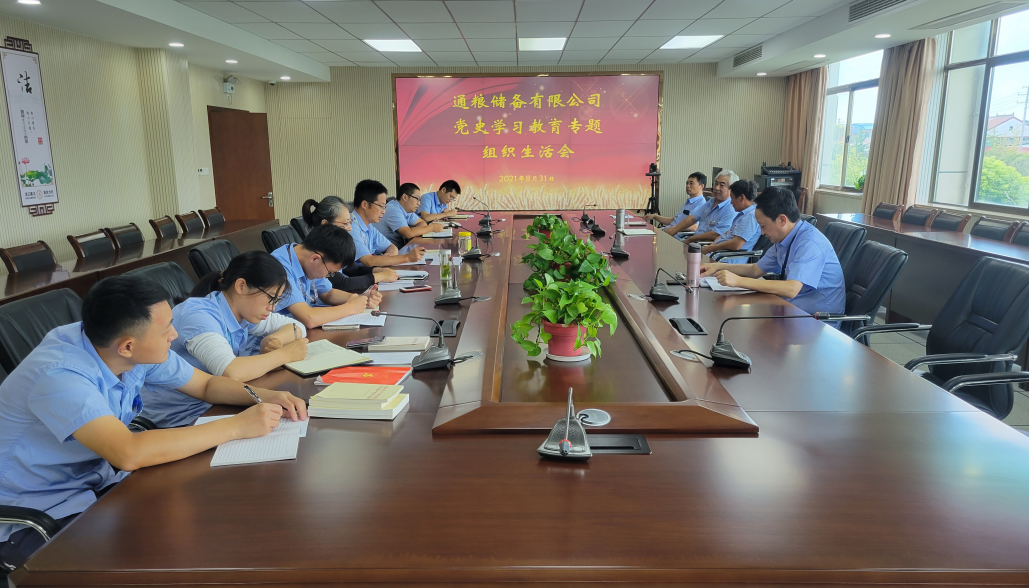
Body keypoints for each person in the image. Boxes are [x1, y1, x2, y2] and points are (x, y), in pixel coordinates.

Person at [0, 276, 306, 573]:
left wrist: (264, 396)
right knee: (169, 553)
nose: (174, 334)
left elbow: (206, 385)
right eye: (166, 330)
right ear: (127, 347)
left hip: (97, 484)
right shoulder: (60, 374)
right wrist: (237, 426)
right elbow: (128, 452)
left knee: (207, 519)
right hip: (35, 515)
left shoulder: (123, 346)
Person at [141, 251, 311, 428]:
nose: (272, 307)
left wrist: (273, 338)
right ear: (241, 286)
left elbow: (297, 327)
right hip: (177, 418)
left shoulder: (244, 313)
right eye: (270, 298)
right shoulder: (199, 316)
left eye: (276, 300)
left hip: (213, 404)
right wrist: (285, 354)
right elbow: (231, 372)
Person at [700, 186, 845, 318]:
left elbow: (791, 289)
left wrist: (738, 281)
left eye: (763, 226)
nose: (762, 232)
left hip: (818, 321)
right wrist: (718, 266)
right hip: (792, 310)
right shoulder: (784, 239)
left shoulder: (810, 243)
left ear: (782, 220)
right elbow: (756, 269)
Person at [270, 223, 380, 329]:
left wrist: (359, 299)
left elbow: (328, 293)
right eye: (330, 272)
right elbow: (309, 318)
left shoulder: (307, 259)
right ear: (315, 259)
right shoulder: (279, 269)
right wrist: (350, 307)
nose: (327, 277)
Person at [300, 196, 399, 292]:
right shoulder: (319, 250)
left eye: (350, 222)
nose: (350, 228)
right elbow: (342, 283)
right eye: (345, 223)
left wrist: (377, 270)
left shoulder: (336, 246)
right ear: (325, 224)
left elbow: (354, 269)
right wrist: (380, 276)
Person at [350, 179, 426, 267]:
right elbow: (369, 261)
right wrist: (408, 258)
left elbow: (391, 247)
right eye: (381, 206)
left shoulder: (369, 226)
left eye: (384, 207)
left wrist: (390, 257)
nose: (383, 211)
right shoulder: (350, 226)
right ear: (365, 205)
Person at [700, 180, 760, 264]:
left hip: (726, 260)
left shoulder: (750, 216)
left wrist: (711, 248)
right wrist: (713, 245)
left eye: (732, 198)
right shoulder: (743, 214)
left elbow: (736, 245)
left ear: (742, 198)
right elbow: (726, 234)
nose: (731, 202)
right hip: (718, 255)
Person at [672, 170, 739, 242]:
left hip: (707, 244)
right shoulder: (711, 201)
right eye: (716, 184)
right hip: (696, 239)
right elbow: (692, 219)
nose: (716, 188)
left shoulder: (731, 209)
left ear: (731, 189)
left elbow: (716, 234)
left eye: (721, 185)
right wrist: (673, 231)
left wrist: (691, 239)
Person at [376, 182, 444, 247]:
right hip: (386, 252)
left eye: (419, 200)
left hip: (399, 248)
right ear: (405, 197)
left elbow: (422, 222)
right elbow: (408, 234)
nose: (419, 203)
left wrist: (413, 232)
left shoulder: (406, 210)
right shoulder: (393, 209)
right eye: (417, 199)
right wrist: (432, 227)